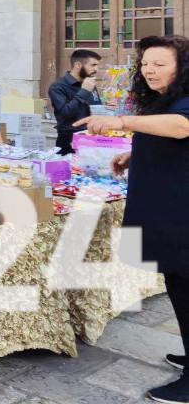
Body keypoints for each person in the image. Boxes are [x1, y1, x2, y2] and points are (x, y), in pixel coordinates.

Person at [75, 35, 189, 403]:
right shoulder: (163, 99)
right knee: (178, 285)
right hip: (165, 208)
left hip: (181, 213)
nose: (150, 70)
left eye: (160, 63)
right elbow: (166, 138)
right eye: (145, 64)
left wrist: (121, 121)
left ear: (181, 67)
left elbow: (181, 127)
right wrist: (133, 155)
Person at [48, 49, 103, 154]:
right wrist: (84, 91)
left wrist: (106, 108)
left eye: (97, 65)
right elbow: (65, 112)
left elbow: (95, 108)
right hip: (69, 141)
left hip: (91, 138)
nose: (97, 69)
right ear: (78, 65)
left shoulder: (89, 83)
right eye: (93, 65)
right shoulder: (58, 86)